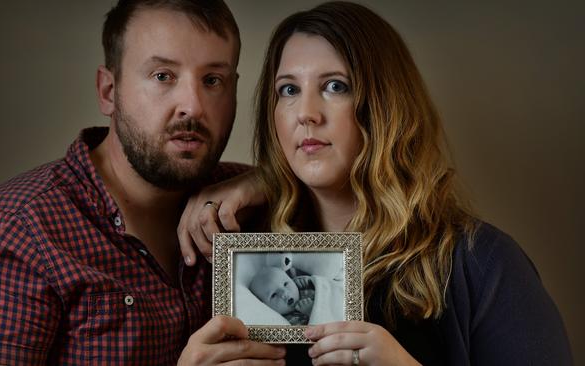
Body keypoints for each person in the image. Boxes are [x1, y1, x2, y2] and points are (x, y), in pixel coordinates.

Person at [178, 1, 573, 365]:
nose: (306, 113)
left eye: (336, 86)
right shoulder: (238, 253)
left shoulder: (482, 262)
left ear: (383, 105)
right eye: (289, 90)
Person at [0, 1, 286, 365]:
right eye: (163, 76)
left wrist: (274, 179)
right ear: (108, 90)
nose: (192, 106)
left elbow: (347, 185)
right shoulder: (18, 234)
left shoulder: (246, 201)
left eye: (213, 80)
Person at [249, 266, 315, 325]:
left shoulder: (302, 284)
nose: (284, 292)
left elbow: (321, 282)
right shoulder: (286, 321)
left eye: (285, 284)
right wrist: (311, 312)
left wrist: (310, 281)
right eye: (273, 295)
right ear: (265, 306)